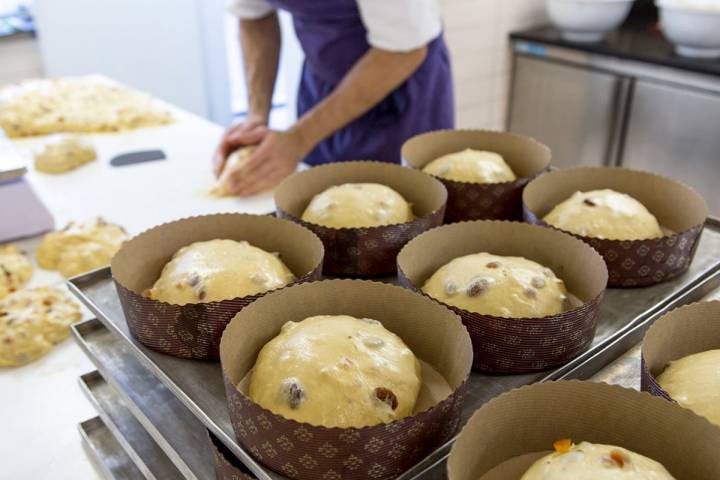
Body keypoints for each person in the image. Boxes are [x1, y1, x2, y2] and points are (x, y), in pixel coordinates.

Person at [214, 0, 454, 196]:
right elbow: (254, 16)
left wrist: (298, 139)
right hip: (322, 83)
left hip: (400, 89)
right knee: (319, 204)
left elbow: (404, 50)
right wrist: (256, 119)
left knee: (397, 214)